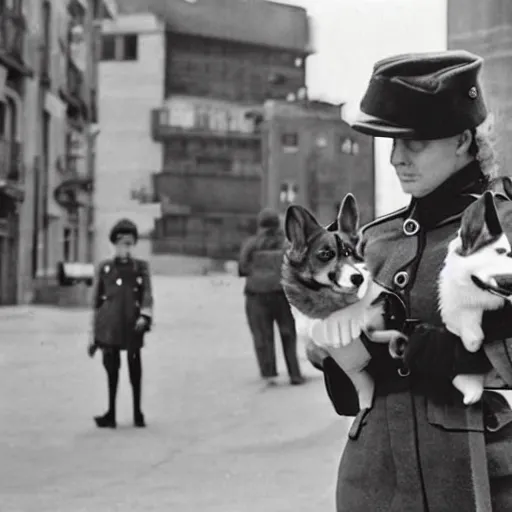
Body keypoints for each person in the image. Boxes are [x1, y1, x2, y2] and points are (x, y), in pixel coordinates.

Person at [304, 51, 512, 511]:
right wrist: (330, 346)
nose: (397, 159)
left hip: (476, 478)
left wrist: (448, 354)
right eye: (391, 143)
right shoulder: (376, 242)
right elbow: (350, 389)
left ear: (463, 140)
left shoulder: (504, 229)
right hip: (374, 481)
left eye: (413, 143)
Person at [88, 218, 154, 429]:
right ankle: (111, 413)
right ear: (114, 244)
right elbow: (97, 301)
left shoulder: (140, 268)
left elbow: (147, 294)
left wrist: (145, 315)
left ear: (133, 244)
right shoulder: (105, 268)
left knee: (135, 367)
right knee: (111, 368)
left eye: (128, 243)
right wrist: (93, 335)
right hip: (109, 324)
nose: (124, 247)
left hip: (132, 323)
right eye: (120, 243)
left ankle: (137, 412)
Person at [238, 208, 304, 386]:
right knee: (288, 334)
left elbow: (242, 268)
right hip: (283, 294)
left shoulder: (251, 244)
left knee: (262, 335)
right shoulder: (287, 244)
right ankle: (294, 373)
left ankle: (269, 373)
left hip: (256, 295)